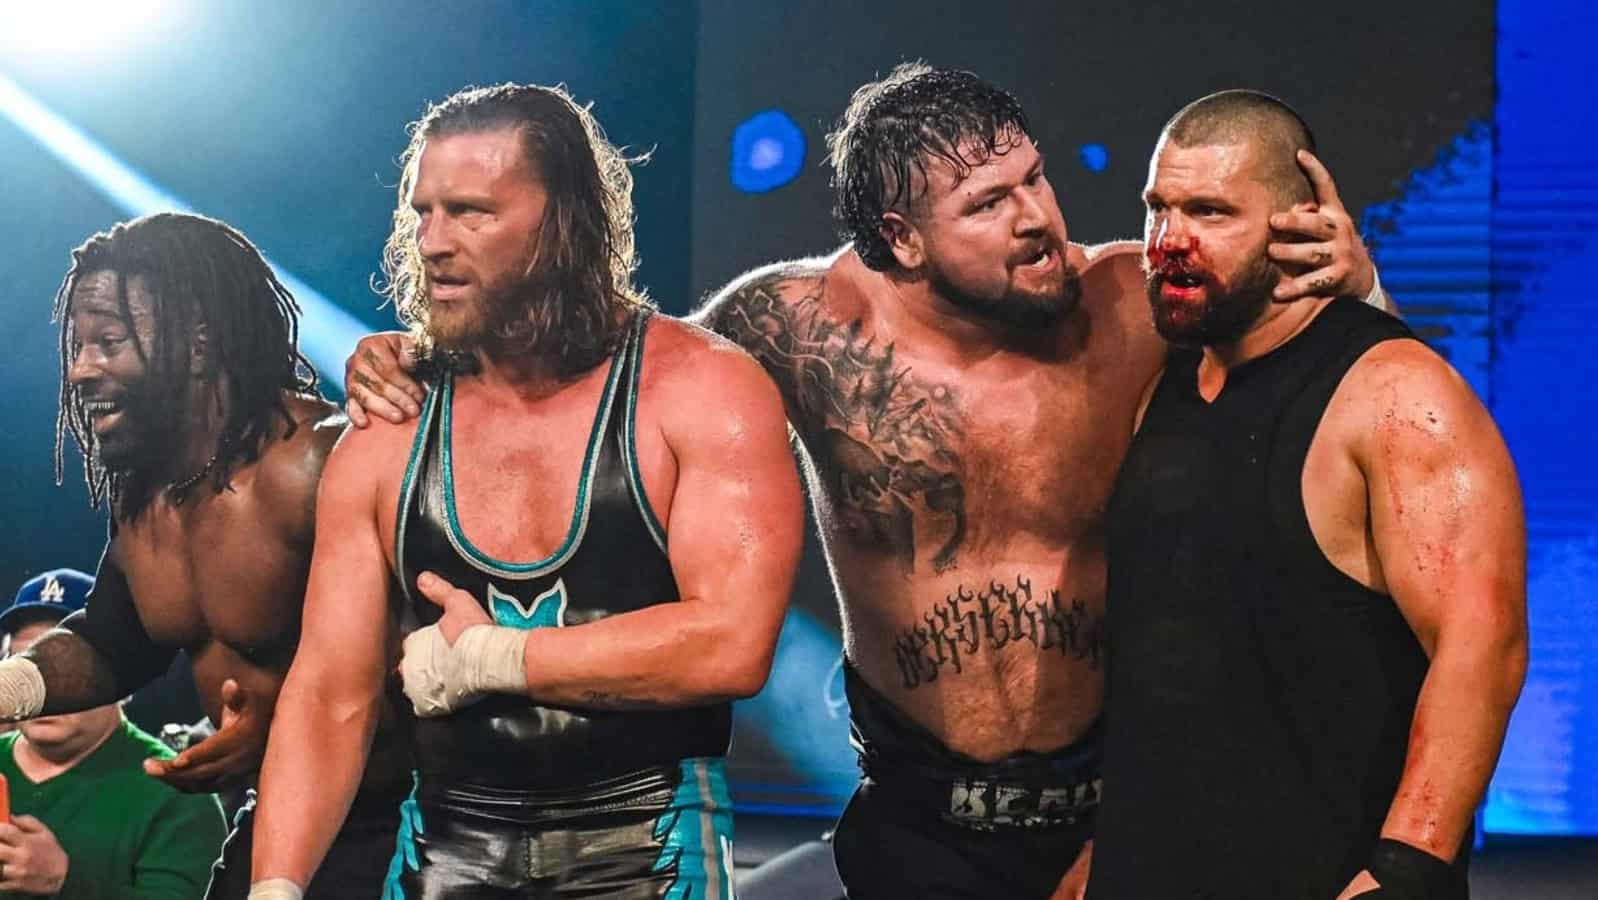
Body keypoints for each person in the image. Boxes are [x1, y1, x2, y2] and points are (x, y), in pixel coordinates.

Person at [343, 66, 1386, 899]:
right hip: (917, 814)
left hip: (1120, 803)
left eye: (1033, 179)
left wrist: (1355, 288)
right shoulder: (791, 328)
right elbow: (608, 385)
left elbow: (1345, 399)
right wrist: (435, 355)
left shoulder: (1130, 302)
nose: (1037, 217)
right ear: (901, 240)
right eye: (989, 203)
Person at [247, 82, 803, 900]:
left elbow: (731, 644)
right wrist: (275, 887)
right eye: (422, 212)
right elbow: (331, 692)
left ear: (563, 223)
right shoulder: (391, 424)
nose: (433, 242)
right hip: (445, 844)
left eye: (470, 212)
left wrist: (495, 658)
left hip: (647, 837)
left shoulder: (701, 390)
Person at [1087, 90, 1527, 900]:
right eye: (1159, 207)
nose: (1170, 239)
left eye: (1210, 211)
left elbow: (1482, 644)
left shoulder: (1398, 394)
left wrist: (1406, 868)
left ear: (1300, 223)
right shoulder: (1163, 380)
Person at [0, 212, 410, 899]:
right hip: (279, 815)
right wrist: (9, 689)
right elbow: (112, 642)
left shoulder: (315, 463)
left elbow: (437, 646)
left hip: (411, 819)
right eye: (77, 345)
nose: (79, 370)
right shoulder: (148, 496)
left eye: (108, 342)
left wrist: (287, 728)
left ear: (197, 345)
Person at [0, 568, 226, 898]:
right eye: (26, 666)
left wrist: (65, 882)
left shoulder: (179, 792)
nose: (46, 695)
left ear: (123, 681)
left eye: (64, 671)